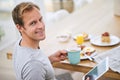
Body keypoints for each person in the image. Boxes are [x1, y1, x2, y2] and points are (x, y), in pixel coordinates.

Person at [12, 2, 67, 80]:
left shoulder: (20, 43)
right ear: (20, 27)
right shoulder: (33, 65)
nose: (41, 26)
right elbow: (34, 66)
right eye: (33, 23)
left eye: (40, 19)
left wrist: (50, 59)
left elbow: (36, 63)